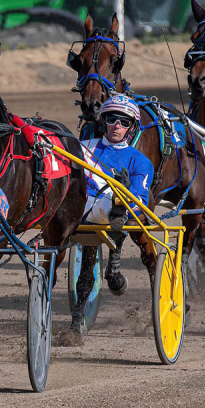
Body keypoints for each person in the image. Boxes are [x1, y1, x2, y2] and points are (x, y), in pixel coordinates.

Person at [80, 95, 154, 294]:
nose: (117, 125)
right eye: (112, 119)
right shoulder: (83, 148)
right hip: (79, 206)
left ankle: (117, 207)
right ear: (103, 121)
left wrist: (123, 203)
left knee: (119, 202)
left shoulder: (141, 161)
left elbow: (140, 203)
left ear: (131, 127)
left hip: (110, 212)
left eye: (124, 122)